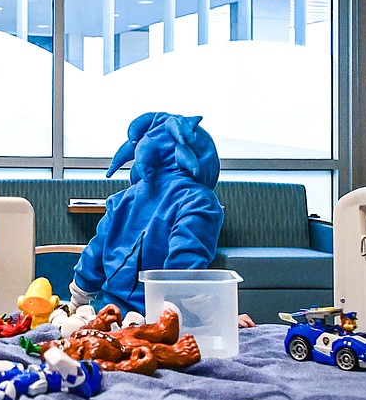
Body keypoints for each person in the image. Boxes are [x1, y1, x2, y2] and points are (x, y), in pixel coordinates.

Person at [66, 112, 256, 327]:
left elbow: (92, 258)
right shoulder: (198, 201)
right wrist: (221, 318)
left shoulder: (122, 200)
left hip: (110, 317)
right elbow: (184, 273)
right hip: (165, 323)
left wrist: (74, 308)